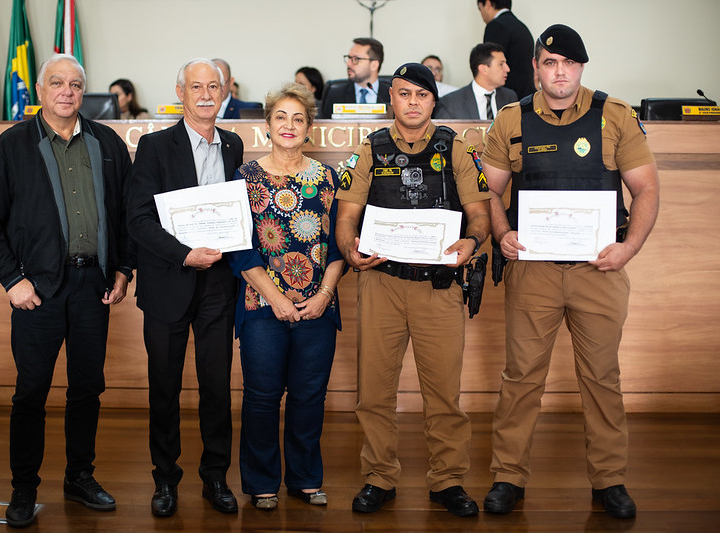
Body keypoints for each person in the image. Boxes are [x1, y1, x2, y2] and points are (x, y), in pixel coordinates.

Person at [481, 24, 659, 519]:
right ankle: (508, 477)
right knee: (520, 377)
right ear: (535, 67)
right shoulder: (510, 119)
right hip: (532, 272)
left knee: (602, 377)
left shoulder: (615, 117)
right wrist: (501, 234)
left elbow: (645, 189)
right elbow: (490, 190)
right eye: (550, 63)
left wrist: (628, 249)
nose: (560, 73)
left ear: (581, 68)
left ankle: (609, 481)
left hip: (598, 271)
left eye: (570, 64)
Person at [0, 53, 134, 528]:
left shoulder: (107, 143)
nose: (67, 91)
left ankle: (80, 477)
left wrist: (123, 270)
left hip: (93, 288)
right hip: (37, 289)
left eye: (76, 84)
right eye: (57, 83)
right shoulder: (11, 146)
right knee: (31, 391)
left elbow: (126, 217)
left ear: (84, 93)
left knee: (86, 389)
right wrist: (11, 281)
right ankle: (23, 488)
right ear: (40, 92)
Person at [335, 63, 491, 516]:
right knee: (373, 392)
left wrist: (472, 240)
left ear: (432, 101)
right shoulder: (370, 150)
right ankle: (379, 478)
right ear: (393, 100)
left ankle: (447, 481)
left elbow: (479, 213)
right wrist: (349, 249)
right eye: (404, 94)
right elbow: (346, 218)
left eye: (421, 95)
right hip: (381, 283)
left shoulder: (456, 149)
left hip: (437, 288)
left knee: (443, 393)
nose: (413, 102)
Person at [126, 58, 244, 517]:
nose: (206, 94)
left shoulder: (233, 144)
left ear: (225, 91)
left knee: (217, 386)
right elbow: (137, 220)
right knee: (164, 388)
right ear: (181, 92)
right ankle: (165, 480)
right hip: (168, 283)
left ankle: (215, 477)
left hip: (219, 286)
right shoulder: (155, 147)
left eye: (213, 86)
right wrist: (183, 254)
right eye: (196, 86)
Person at [228, 83, 345, 511]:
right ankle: (261, 483)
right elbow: (241, 249)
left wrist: (324, 295)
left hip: (318, 306)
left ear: (310, 128)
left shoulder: (328, 179)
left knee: (309, 396)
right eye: (281, 117)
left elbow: (338, 246)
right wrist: (276, 298)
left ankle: (304, 479)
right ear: (267, 126)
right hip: (261, 307)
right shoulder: (244, 178)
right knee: (261, 397)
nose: (289, 125)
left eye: (298, 118)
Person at [434, 43, 517, 120]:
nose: (507, 69)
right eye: (501, 64)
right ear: (483, 69)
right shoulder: (450, 103)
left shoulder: (509, 98)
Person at [319, 37, 390, 119]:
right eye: (349, 58)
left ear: (374, 65)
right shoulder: (335, 95)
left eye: (356, 59)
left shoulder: (392, 95)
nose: (349, 64)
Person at [477, 0, 535, 98]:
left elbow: (491, 65)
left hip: (507, 99)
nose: (482, 15)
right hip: (526, 96)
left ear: (487, 3)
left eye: (480, 9)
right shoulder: (521, 27)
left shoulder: (496, 26)